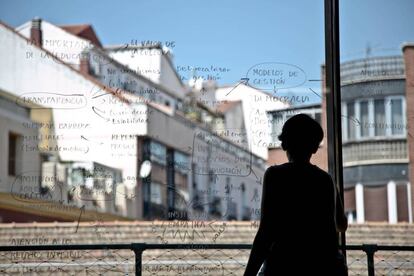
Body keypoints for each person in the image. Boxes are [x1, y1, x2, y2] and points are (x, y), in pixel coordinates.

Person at [244, 113, 348, 276]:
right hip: (324, 267)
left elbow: (266, 231)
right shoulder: (326, 179)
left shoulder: (275, 175)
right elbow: (342, 225)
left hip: (283, 266)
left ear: (284, 144)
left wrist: (248, 274)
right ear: (314, 147)